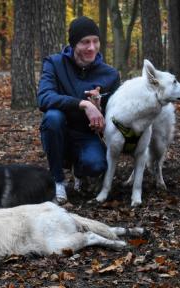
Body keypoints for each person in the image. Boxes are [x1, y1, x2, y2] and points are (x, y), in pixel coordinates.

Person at [37, 16, 120, 204]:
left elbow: (116, 115)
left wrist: (100, 111)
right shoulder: (54, 63)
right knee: (53, 117)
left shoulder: (110, 75)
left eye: (95, 41)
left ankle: (80, 171)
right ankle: (58, 181)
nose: (91, 47)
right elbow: (43, 97)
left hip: (87, 135)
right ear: (74, 44)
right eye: (85, 42)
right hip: (59, 132)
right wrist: (84, 104)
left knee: (97, 165)